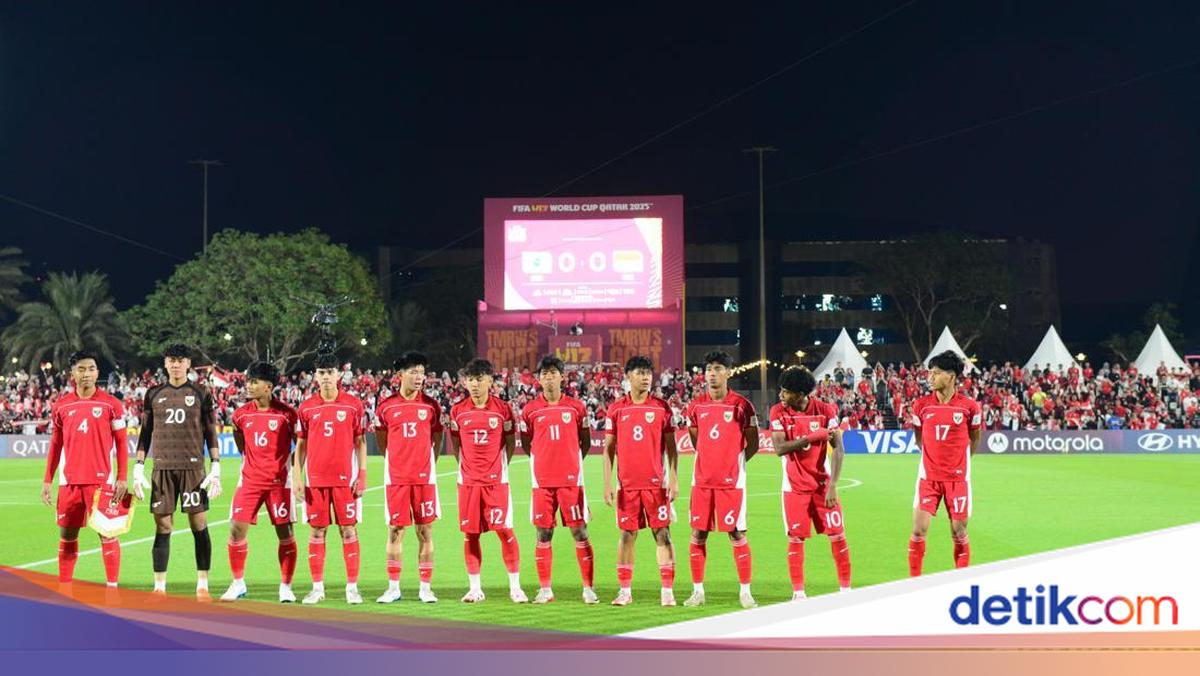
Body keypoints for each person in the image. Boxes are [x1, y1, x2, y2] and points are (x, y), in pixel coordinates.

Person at [132, 343, 221, 600]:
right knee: (163, 525)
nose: (176, 364)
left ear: (188, 364)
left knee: (199, 523)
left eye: (181, 360)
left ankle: (202, 583)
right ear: (165, 363)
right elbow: (145, 433)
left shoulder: (201, 392)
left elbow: (210, 431)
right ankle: (159, 586)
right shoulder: (153, 393)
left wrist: (215, 465)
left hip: (193, 468)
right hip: (162, 468)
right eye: (171, 360)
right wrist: (138, 467)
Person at [41, 350, 128, 593]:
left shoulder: (112, 404)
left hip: (102, 483)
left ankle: (112, 590)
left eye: (91, 369)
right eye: (81, 369)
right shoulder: (61, 406)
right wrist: (48, 479)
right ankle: (65, 588)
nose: (86, 374)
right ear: (72, 374)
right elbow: (56, 445)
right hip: (69, 483)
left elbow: (122, 443)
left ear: (97, 372)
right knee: (67, 536)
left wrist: (122, 477)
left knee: (107, 535)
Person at [682, 350, 759, 608]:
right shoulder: (695, 406)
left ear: (728, 372)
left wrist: (731, 462)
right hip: (702, 482)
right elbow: (696, 440)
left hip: (731, 484)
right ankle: (697, 592)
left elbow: (754, 444)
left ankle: (745, 592)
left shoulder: (742, 405)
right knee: (698, 533)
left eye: (717, 368)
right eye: (708, 369)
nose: (712, 374)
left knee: (737, 533)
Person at [602, 355, 679, 607]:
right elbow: (608, 449)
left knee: (663, 535)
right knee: (626, 536)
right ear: (628, 377)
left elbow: (671, 447)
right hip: (628, 485)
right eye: (639, 372)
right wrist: (607, 484)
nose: (645, 377)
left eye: (648, 372)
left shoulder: (662, 408)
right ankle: (625, 591)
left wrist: (674, 479)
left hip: (656, 485)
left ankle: (667, 592)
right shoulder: (616, 408)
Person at [769, 366, 852, 600]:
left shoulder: (825, 410)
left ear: (801, 394)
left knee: (838, 534)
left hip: (823, 486)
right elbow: (778, 448)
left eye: (786, 392)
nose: (781, 396)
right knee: (796, 538)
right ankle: (799, 593)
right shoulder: (778, 412)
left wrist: (833, 485)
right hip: (794, 487)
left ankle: (846, 591)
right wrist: (809, 438)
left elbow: (839, 449)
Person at [220, 361, 300, 603]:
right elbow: (240, 441)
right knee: (236, 530)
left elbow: (300, 446)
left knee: (285, 533)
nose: (248, 385)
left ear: (268, 387)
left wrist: (293, 469)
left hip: (279, 482)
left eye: (254, 381)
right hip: (250, 482)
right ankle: (237, 583)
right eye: (248, 381)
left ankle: (286, 586)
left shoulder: (287, 414)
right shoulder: (240, 414)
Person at [449, 358, 527, 603]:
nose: (474, 384)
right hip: (469, 483)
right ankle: (474, 588)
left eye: (479, 379)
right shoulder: (457, 410)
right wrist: (467, 470)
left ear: (490, 381)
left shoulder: (502, 409)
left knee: (505, 531)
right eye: (470, 379)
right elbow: (456, 445)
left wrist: (499, 468)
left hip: (496, 482)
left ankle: (515, 587)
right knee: (471, 534)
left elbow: (511, 443)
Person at [519, 355, 596, 605]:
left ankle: (588, 588)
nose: (548, 377)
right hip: (541, 481)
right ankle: (545, 589)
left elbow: (584, 442)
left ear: (562, 377)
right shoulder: (530, 410)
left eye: (553, 373)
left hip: (571, 480)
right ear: (538, 379)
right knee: (543, 533)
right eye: (544, 374)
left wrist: (570, 461)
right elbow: (528, 444)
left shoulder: (576, 407)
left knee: (579, 531)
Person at [293, 353, 368, 604]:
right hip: (315, 480)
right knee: (317, 532)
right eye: (321, 373)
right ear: (316, 376)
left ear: (339, 375)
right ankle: (317, 588)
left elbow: (360, 442)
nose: (326, 377)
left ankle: (352, 588)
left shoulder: (353, 405)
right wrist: (297, 476)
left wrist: (363, 474)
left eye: (330, 372)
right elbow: (300, 446)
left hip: (345, 480)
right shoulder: (306, 407)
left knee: (348, 530)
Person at [373, 351, 443, 604]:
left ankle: (425, 588)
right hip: (397, 479)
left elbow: (437, 437)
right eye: (413, 372)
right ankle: (393, 588)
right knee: (395, 531)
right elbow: (382, 441)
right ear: (400, 375)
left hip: (424, 479)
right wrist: (397, 461)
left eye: (422, 372)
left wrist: (428, 462)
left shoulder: (431, 406)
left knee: (425, 531)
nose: (419, 377)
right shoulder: (386, 406)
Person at [908, 350, 982, 576]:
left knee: (959, 531)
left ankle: (960, 581)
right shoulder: (921, 405)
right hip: (928, 477)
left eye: (936, 373)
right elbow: (919, 438)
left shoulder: (969, 407)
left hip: (957, 479)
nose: (930, 377)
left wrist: (960, 463)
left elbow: (975, 438)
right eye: (930, 372)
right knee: (918, 530)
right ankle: (913, 582)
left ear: (951, 376)